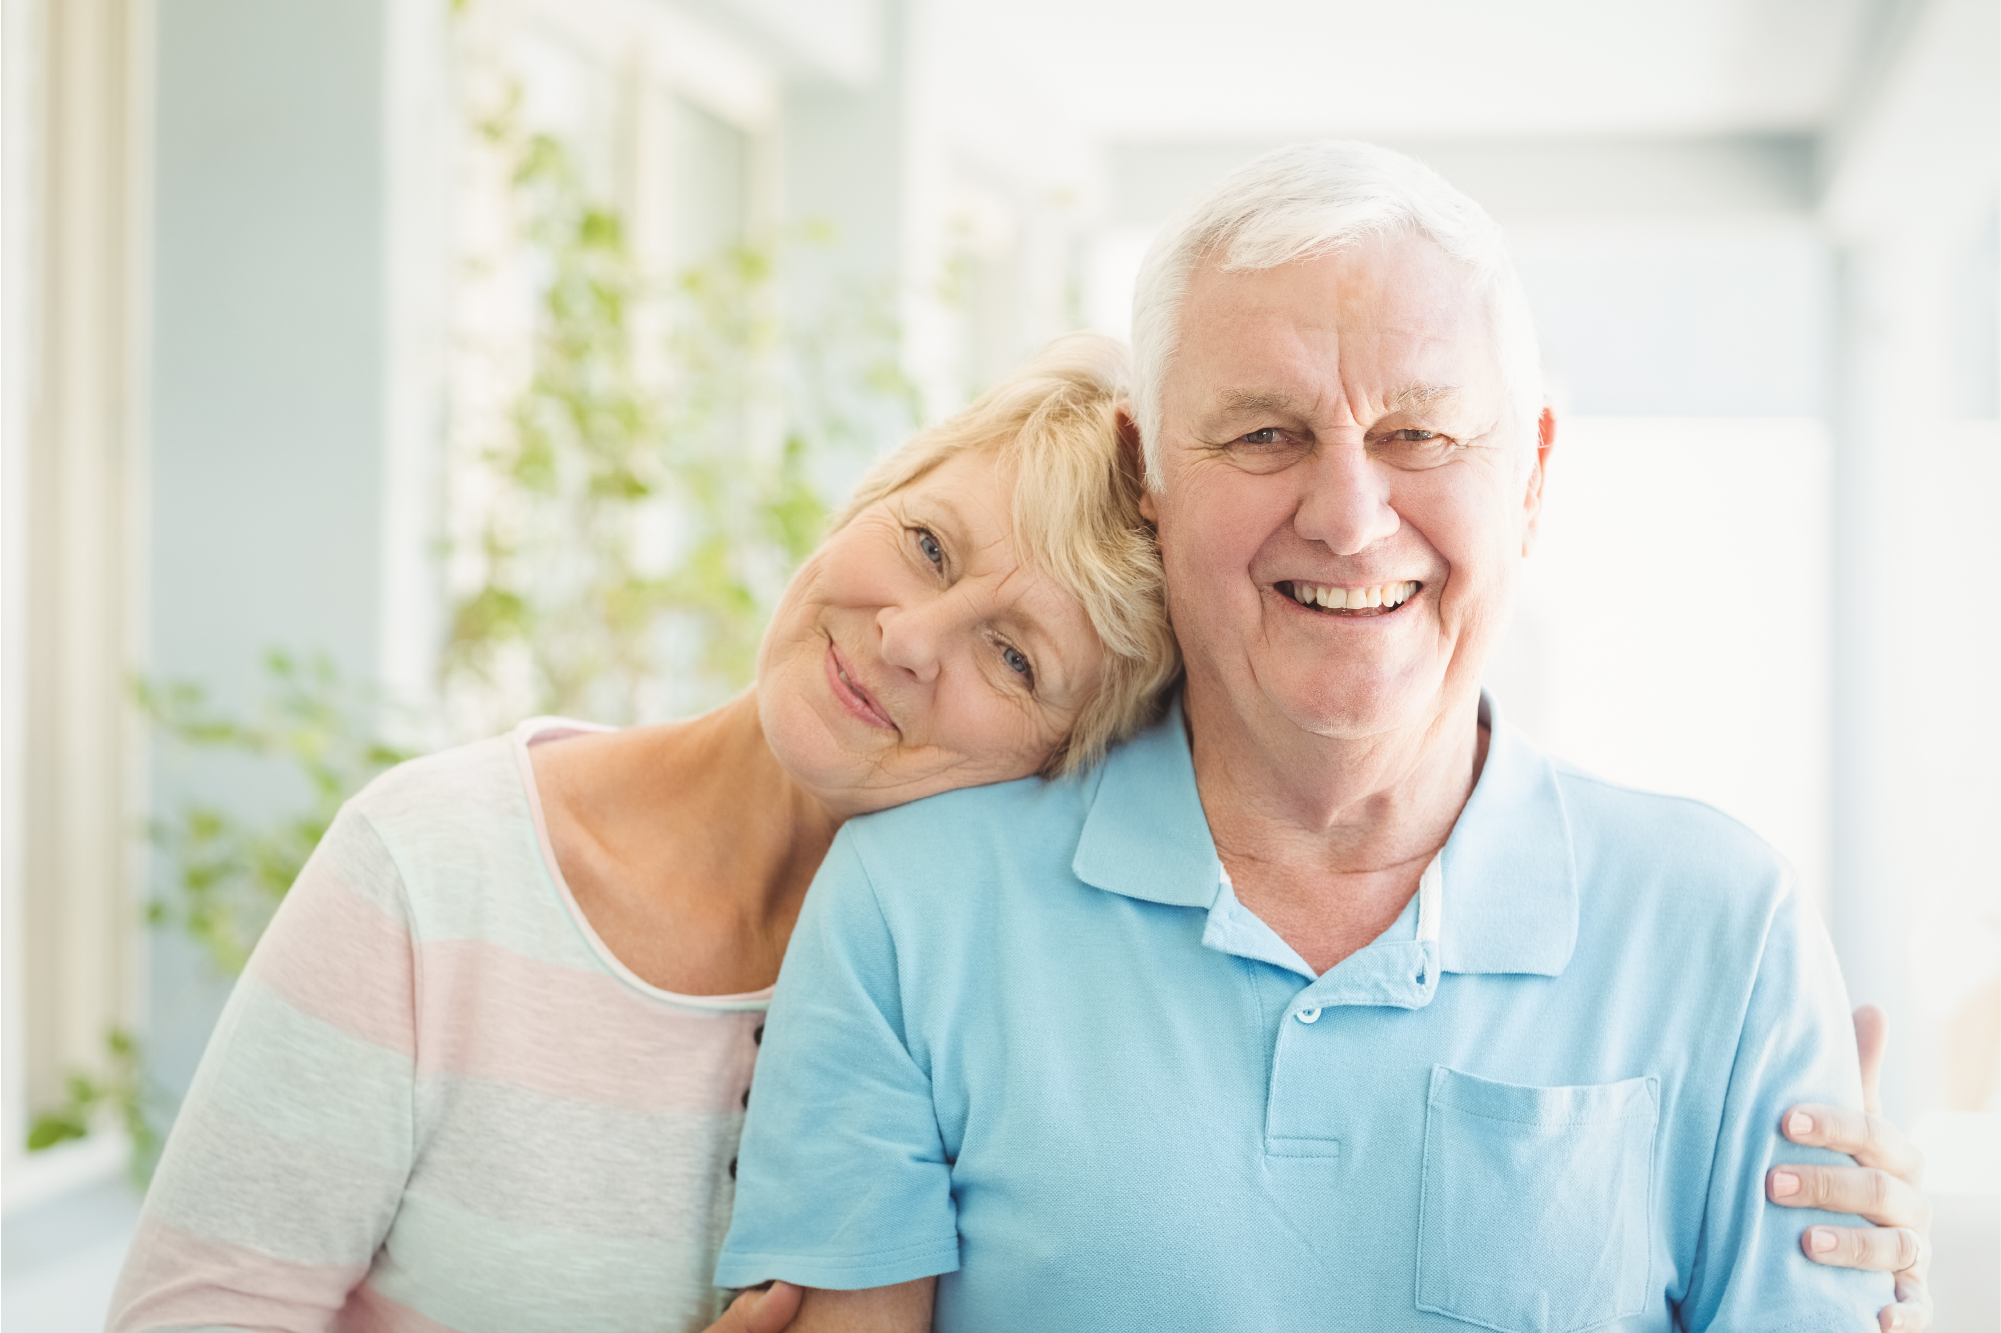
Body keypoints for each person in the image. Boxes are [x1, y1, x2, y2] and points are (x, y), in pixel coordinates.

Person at [716, 142, 1936, 1331]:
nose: (1351, 519)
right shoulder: (906, 912)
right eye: (1263, 434)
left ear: (1532, 475)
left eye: (1420, 435)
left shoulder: (1728, 930)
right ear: (1150, 470)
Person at [106, 336, 1178, 1333]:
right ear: (871, 499)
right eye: (928, 544)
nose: (908, 636)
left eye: (1014, 657)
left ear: (1067, 758)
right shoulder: (433, 866)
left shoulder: (979, 1008)